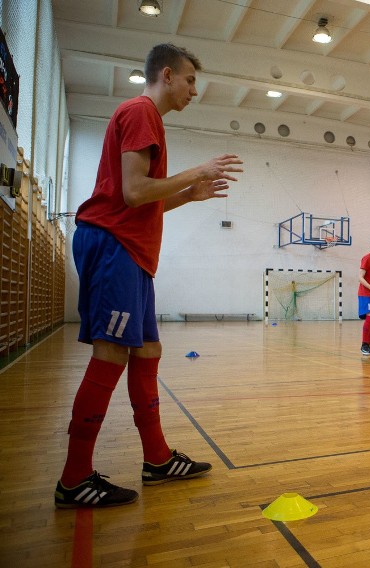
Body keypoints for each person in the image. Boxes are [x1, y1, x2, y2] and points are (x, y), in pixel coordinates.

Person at [55, 44, 244, 508]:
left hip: (132, 251)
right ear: (167, 75)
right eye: (190, 81)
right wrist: (194, 172)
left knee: (148, 350)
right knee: (112, 352)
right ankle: (74, 478)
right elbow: (135, 191)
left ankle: (157, 459)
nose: (194, 91)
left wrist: (190, 194)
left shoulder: (147, 118)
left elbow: (143, 197)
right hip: (114, 244)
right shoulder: (141, 111)